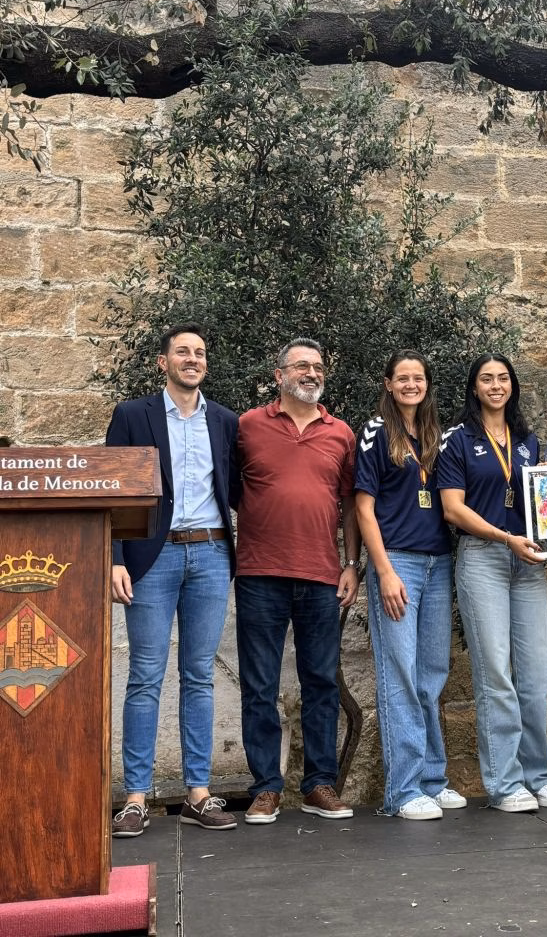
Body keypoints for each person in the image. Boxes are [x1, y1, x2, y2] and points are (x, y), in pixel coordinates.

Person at [107, 322, 239, 837]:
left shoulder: (224, 421)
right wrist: (116, 555)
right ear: (163, 362)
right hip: (150, 559)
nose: (192, 359)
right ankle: (136, 798)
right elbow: (113, 489)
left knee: (199, 675)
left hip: (209, 555)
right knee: (145, 675)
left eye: (200, 352)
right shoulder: (133, 414)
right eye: (182, 352)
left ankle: (198, 794)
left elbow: (241, 489)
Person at [235, 337, 361, 824]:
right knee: (260, 685)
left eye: (318, 366)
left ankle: (319, 785)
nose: (311, 372)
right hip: (259, 574)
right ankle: (266, 788)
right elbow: (228, 487)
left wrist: (352, 563)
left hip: (320, 575)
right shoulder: (248, 426)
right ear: (279, 375)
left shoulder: (340, 433)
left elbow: (350, 503)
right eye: (301, 366)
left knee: (321, 682)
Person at [437, 354, 547, 813]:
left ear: (512, 386)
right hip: (483, 560)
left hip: (527, 564)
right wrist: (503, 537)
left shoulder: (529, 442)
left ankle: (540, 776)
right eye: (486, 379)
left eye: (503, 378)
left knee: (535, 676)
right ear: (474, 387)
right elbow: (453, 509)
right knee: (495, 674)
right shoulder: (458, 440)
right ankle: (505, 783)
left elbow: (543, 507)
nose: (496, 385)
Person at [354, 351, 466, 821]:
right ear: (388, 383)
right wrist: (383, 572)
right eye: (403, 378)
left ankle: (432, 779)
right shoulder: (376, 432)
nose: (411, 385)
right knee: (399, 673)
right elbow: (363, 508)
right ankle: (402, 791)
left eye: (418, 378)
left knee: (431, 675)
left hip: (438, 563)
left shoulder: (439, 436)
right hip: (397, 563)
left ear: (427, 385)